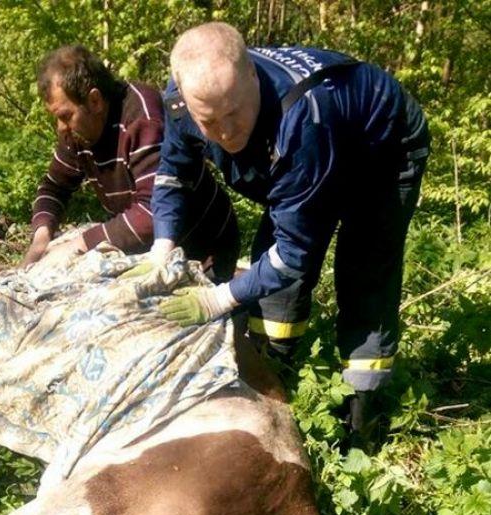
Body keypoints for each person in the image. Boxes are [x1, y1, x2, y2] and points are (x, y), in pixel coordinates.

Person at [151, 23, 430, 443]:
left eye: (234, 113)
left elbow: (294, 252)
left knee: (364, 269)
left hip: (381, 150)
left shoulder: (302, 119)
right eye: (209, 121)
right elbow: (174, 175)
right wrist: (162, 245)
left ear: (251, 78)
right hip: (312, 152)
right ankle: (275, 376)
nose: (225, 133)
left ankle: (361, 416)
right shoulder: (182, 102)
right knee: (272, 272)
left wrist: (219, 298)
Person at [24, 45, 239, 281]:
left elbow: (152, 212)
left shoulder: (142, 117)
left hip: (205, 250)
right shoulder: (77, 131)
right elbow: (53, 187)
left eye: (65, 116)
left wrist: (79, 244)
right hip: (152, 250)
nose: (61, 127)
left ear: (95, 101)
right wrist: (41, 238)